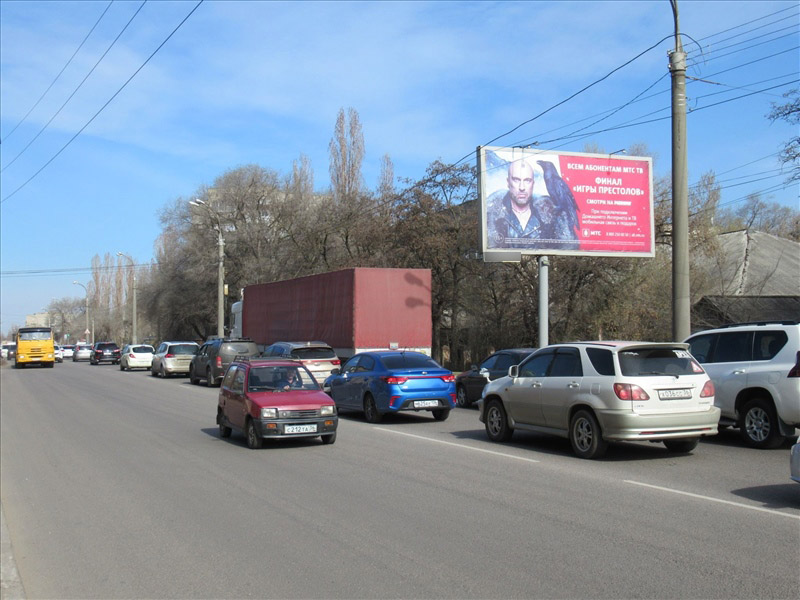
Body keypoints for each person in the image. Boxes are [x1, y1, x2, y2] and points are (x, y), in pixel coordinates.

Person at [486, 159, 543, 248]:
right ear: (508, 182)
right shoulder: (492, 214)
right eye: (516, 180)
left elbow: (566, 248)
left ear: (533, 184)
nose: (522, 187)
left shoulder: (547, 215)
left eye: (527, 180)